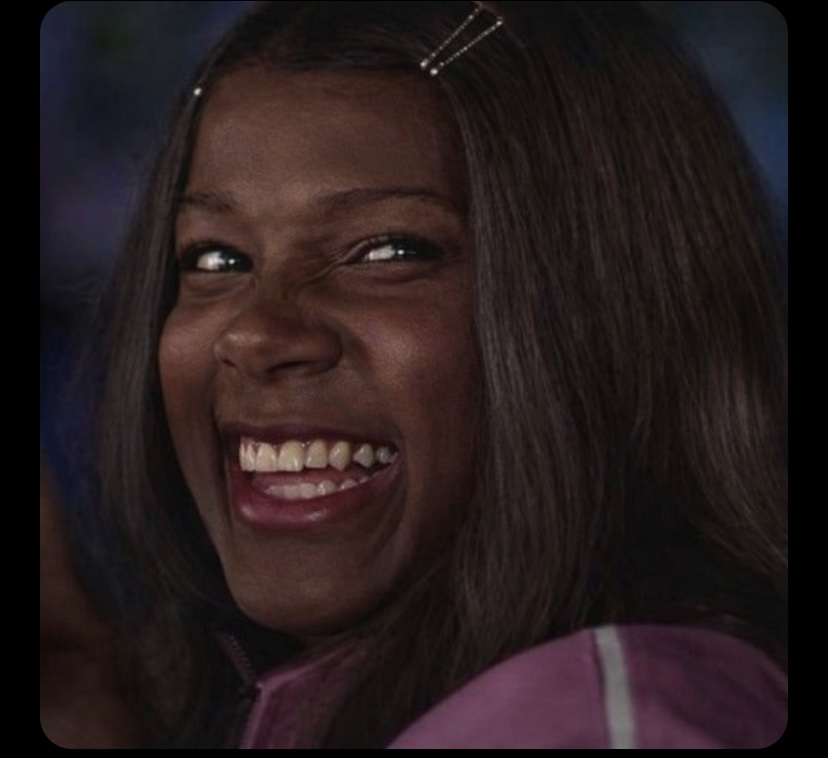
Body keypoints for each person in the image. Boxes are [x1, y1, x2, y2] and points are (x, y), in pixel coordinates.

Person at [41, 1, 787, 748]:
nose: (255, 334)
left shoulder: (589, 725)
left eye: (390, 252)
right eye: (217, 258)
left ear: (614, 307)